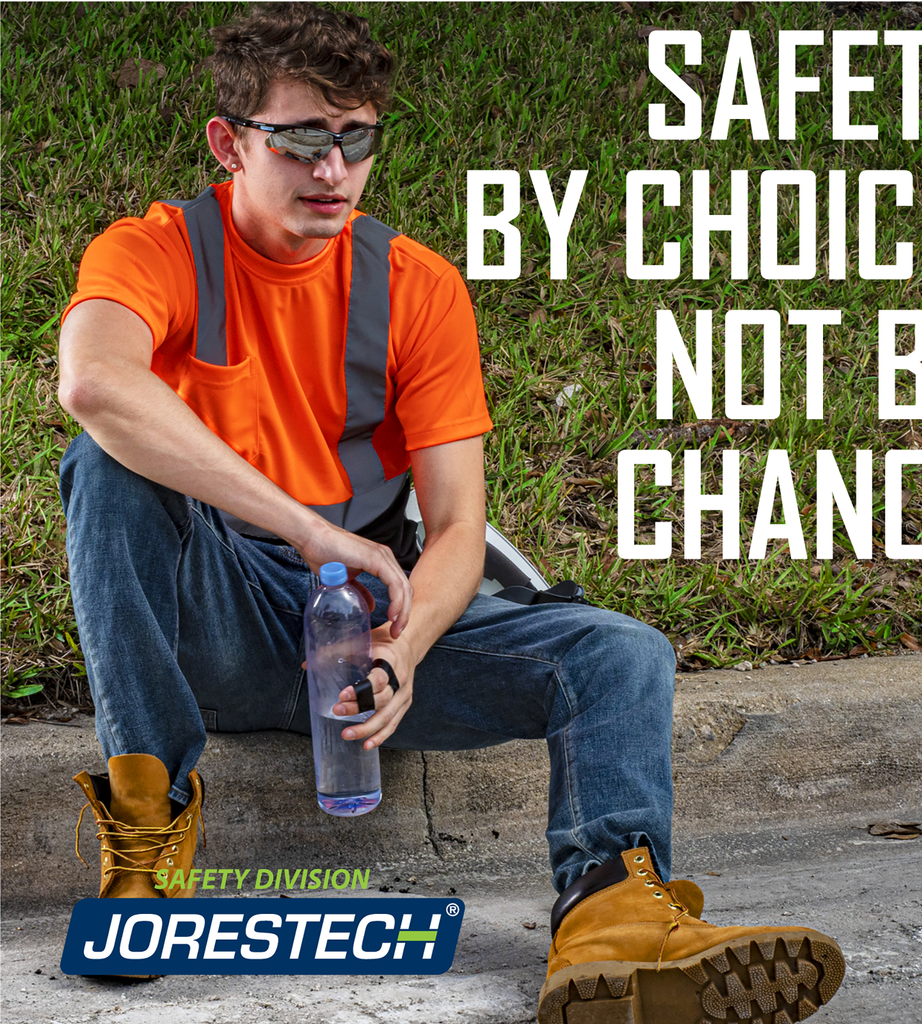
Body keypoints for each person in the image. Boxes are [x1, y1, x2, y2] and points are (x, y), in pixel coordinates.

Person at [57, 5, 845, 1020]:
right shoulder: (157, 250)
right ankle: (146, 836)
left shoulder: (414, 286)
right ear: (229, 142)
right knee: (108, 466)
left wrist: (405, 649)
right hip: (217, 614)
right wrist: (308, 528)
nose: (331, 171)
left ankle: (612, 919)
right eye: (300, 140)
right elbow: (95, 386)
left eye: (355, 141)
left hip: (366, 636)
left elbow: (460, 526)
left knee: (619, 654)